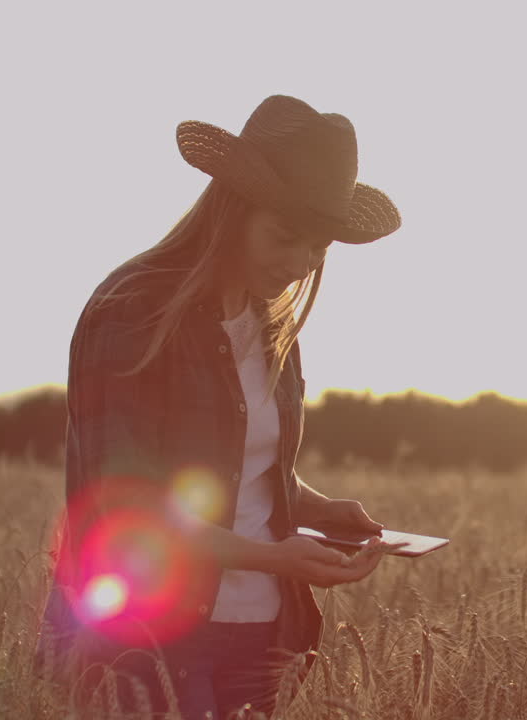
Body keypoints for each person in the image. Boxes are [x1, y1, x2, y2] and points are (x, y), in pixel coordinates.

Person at [35, 95, 403, 719]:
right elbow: (126, 504)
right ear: (232, 212)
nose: (298, 265)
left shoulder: (267, 325)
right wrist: (273, 556)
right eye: (284, 237)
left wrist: (319, 508)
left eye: (316, 248)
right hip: (149, 635)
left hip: (261, 636)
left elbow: (244, 469)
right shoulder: (133, 311)